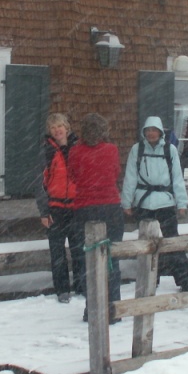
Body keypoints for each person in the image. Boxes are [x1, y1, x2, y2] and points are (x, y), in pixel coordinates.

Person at [121, 116, 188, 292]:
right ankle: (150, 279)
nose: (151, 133)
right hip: (144, 203)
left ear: (160, 132)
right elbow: (130, 177)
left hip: (165, 203)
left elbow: (177, 178)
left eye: (154, 130)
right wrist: (127, 202)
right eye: (148, 130)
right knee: (147, 245)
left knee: (173, 243)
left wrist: (182, 202)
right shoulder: (137, 150)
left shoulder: (170, 150)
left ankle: (185, 281)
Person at [69, 113, 123, 323]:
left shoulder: (75, 151)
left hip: (85, 208)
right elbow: (115, 173)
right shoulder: (112, 149)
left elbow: (73, 176)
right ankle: (113, 307)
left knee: (89, 260)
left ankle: (92, 307)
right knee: (112, 258)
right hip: (110, 207)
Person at [34, 113, 84, 303]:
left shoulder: (78, 148)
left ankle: (81, 286)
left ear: (67, 127)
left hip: (76, 208)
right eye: (53, 127)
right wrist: (44, 211)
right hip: (54, 208)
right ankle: (62, 289)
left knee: (79, 250)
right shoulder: (46, 151)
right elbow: (39, 183)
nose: (57, 130)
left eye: (60, 126)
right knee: (57, 252)